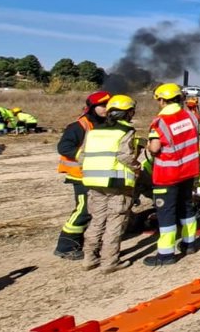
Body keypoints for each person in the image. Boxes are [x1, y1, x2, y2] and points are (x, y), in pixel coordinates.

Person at [80, 94, 141, 274]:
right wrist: (137, 168)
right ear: (129, 113)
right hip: (116, 182)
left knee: (97, 219)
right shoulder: (126, 131)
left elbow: (81, 156)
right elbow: (124, 156)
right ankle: (109, 261)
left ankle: (89, 258)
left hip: (93, 181)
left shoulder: (94, 130)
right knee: (115, 220)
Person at [144, 82, 200, 266]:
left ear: (161, 100)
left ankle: (166, 253)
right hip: (189, 170)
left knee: (166, 213)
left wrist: (147, 146)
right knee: (187, 207)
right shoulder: (191, 117)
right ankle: (189, 243)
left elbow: (154, 148)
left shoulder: (159, 122)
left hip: (167, 174)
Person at [54, 91, 111, 259]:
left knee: (95, 209)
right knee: (83, 209)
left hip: (95, 175)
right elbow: (64, 147)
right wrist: (84, 156)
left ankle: (84, 240)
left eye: (108, 105)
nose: (106, 109)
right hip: (79, 175)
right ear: (92, 107)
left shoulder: (104, 124)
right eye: (102, 106)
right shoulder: (79, 126)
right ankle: (66, 245)